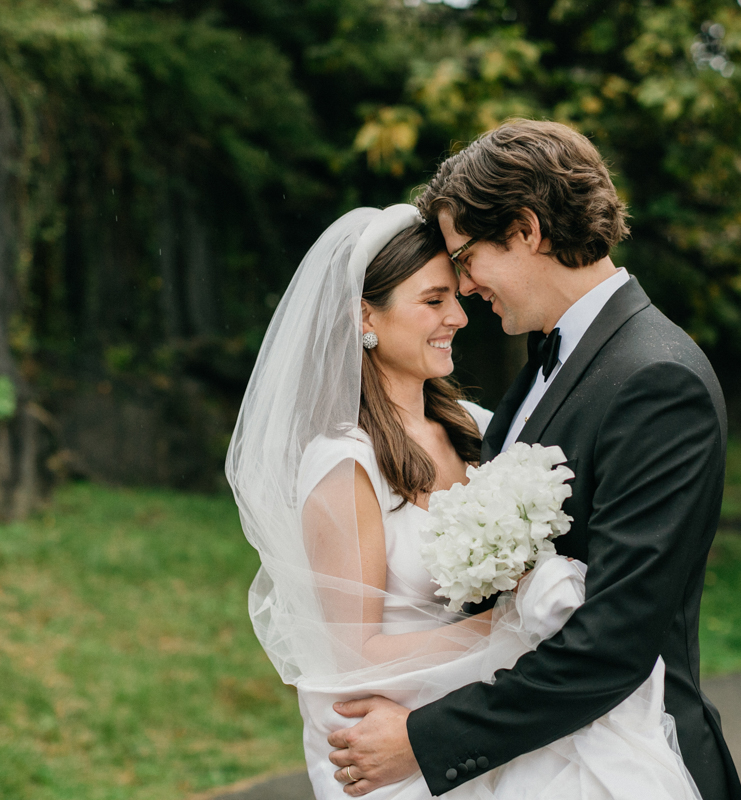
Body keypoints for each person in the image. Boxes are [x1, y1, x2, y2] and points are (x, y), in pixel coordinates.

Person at [323, 121, 741, 799]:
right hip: (538, 759)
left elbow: (612, 644)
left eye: (465, 259)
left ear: (525, 231)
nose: (464, 288)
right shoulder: (547, 364)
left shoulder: (658, 380)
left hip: (633, 759)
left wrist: (425, 741)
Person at [227, 201, 704, 798]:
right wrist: (512, 623)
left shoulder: (478, 428)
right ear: (365, 316)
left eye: (455, 296)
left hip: (495, 723)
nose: (457, 316)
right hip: (405, 747)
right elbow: (355, 657)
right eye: (433, 301)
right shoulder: (346, 464)